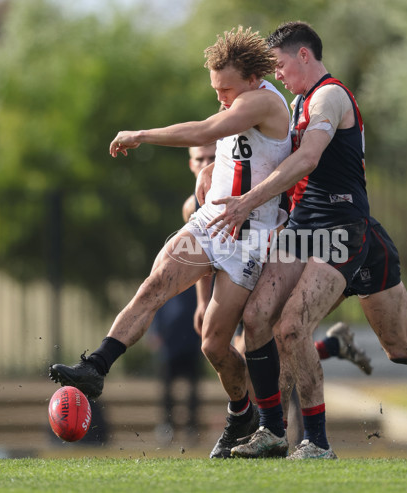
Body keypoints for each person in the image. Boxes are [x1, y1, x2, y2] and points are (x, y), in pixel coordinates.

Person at [203, 21, 407, 459]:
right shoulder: (295, 103)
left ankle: (318, 442)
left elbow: (309, 158)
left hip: (344, 232)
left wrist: (246, 203)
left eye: (279, 64)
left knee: (328, 333)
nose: (276, 74)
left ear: (304, 56)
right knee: (265, 321)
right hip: (304, 230)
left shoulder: (330, 96)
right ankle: (271, 430)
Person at [49, 26, 293, 459]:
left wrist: (141, 135)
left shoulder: (262, 101)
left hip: (248, 237)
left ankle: (243, 416)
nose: (221, 96)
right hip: (210, 221)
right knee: (154, 284)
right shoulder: (240, 98)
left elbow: (204, 131)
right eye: (215, 88)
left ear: (253, 78)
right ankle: (96, 367)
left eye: (226, 88)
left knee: (214, 345)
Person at [145, 144, 216, 444]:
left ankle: (194, 428)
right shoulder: (191, 212)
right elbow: (161, 288)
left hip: (199, 324)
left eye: (212, 157)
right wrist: (156, 329)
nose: (206, 164)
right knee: (168, 383)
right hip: (176, 329)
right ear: (190, 163)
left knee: (196, 385)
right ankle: (168, 426)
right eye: (200, 158)